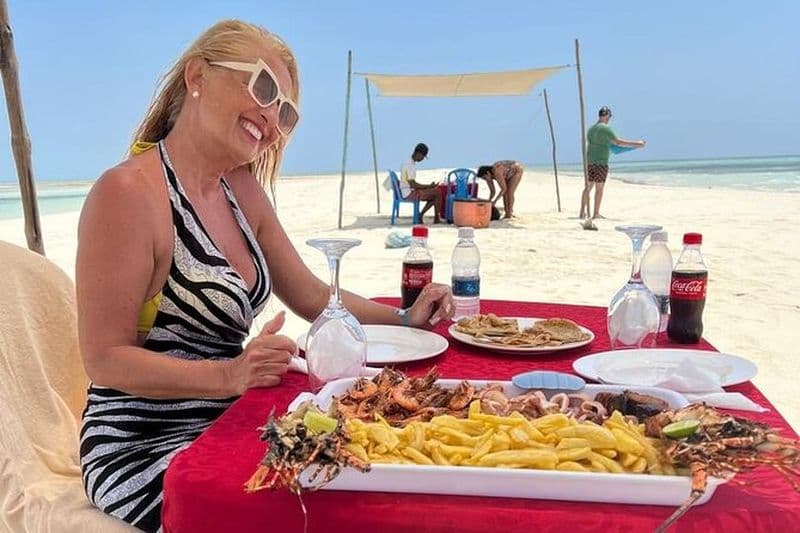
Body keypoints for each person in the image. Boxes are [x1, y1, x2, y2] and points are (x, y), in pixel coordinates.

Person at [76, 20, 453, 532]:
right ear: (197, 76)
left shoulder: (242, 191)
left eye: (286, 112)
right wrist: (230, 375)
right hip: (144, 442)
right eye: (264, 88)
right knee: (305, 510)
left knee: (380, 471)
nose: (273, 119)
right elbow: (104, 359)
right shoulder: (128, 194)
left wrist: (406, 318)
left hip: (233, 418)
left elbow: (314, 295)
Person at [579, 106, 646, 222]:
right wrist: (637, 143)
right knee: (599, 189)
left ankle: (581, 211)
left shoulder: (591, 129)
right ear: (606, 115)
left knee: (588, 187)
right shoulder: (606, 129)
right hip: (601, 162)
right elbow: (618, 142)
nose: (609, 119)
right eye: (609, 116)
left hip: (590, 161)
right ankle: (595, 214)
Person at [400, 142, 443, 224]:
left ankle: (421, 215)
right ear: (418, 154)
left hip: (408, 191)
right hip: (409, 193)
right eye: (423, 156)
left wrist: (429, 187)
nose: (423, 159)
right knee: (437, 193)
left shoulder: (409, 161)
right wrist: (428, 186)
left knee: (435, 193)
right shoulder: (409, 164)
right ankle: (436, 218)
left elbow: (413, 183)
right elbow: (413, 184)